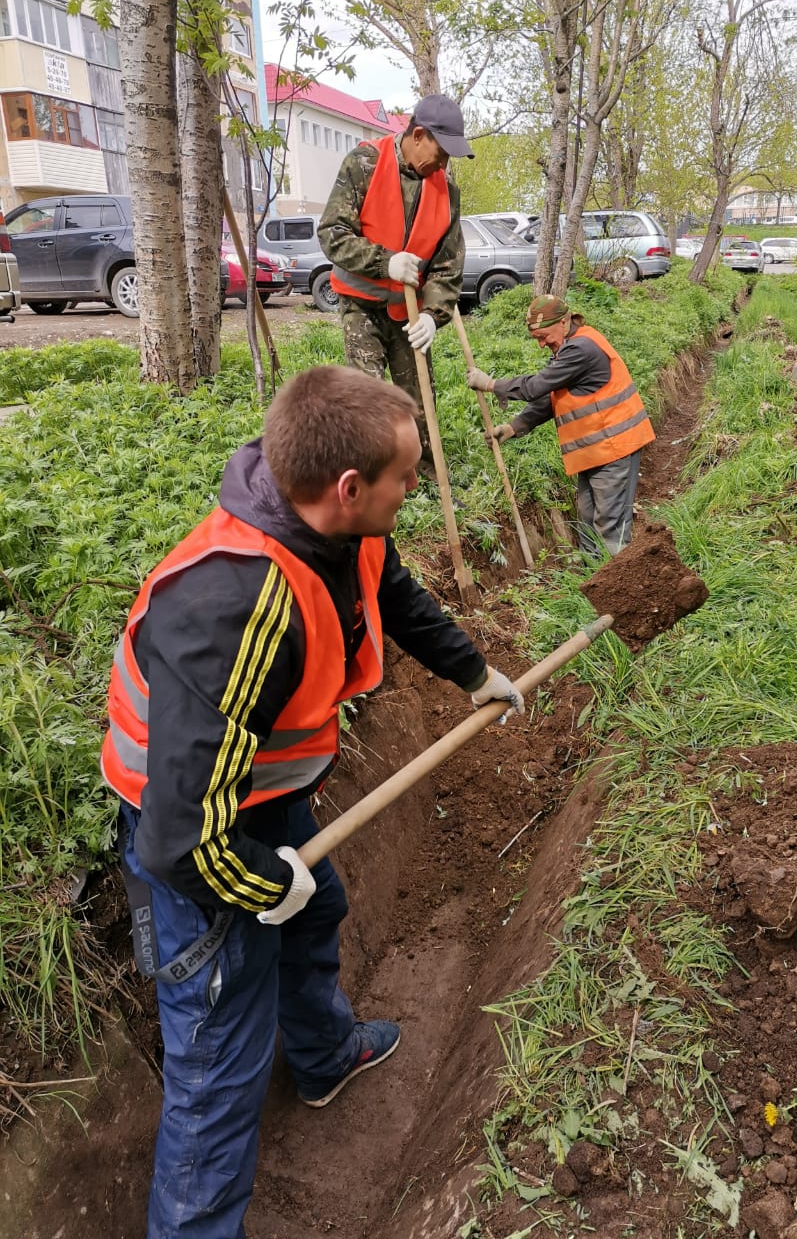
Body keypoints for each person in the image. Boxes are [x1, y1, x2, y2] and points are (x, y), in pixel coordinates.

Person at [101, 365, 523, 1238]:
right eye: (408, 476)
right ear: (349, 486)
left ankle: (325, 1056)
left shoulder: (343, 530)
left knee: (316, 906)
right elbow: (180, 841)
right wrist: (262, 883)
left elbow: (394, 598)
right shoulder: (236, 609)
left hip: (263, 793)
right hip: (193, 833)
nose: (417, 487)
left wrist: (473, 673)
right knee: (218, 1058)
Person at [318, 94, 473, 468]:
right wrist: (384, 263)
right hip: (361, 304)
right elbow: (332, 233)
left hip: (408, 311)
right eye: (441, 151)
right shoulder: (364, 163)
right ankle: (372, 478)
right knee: (367, 396)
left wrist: (432, 316)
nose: (444, 162)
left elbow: (447, 266)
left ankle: (423, 471)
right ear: (418, 134)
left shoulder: (447, 192)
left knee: (418, 398)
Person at [467, 295, 656, 556]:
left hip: (615, 451)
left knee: (610, 530)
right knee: (587, 525)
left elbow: (536, 387)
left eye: (544, 336)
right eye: (537, 339)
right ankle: (592, 586)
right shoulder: (568, 349)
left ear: (565, 321)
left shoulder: (581, 349)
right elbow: (551, 395)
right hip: (594, 453)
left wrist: (492, 385)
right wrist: (514, 427)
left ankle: (623, 592)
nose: (542, 344)